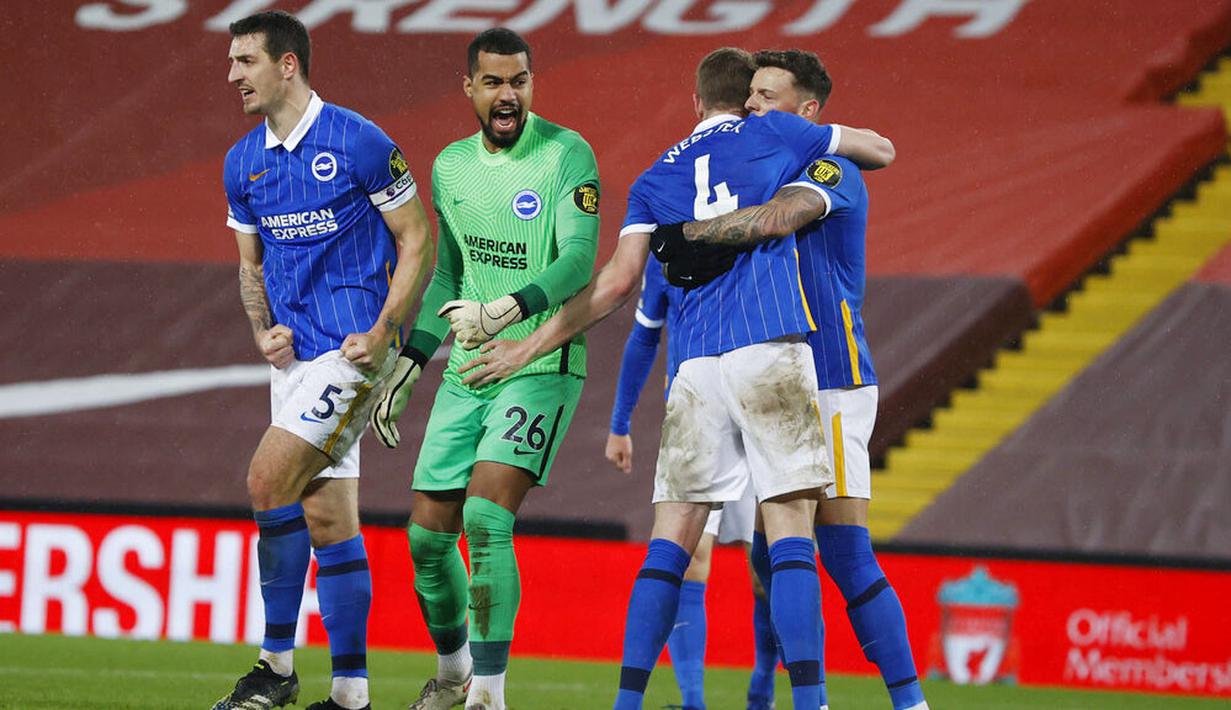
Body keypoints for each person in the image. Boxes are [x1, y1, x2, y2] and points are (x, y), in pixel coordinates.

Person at [446, 47, 894, 710]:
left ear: (693, 103)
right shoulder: (774, 130)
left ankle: (628, 703)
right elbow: (876, 149)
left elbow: (614, 287)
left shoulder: (655, 176)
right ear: (747, 99)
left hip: (692, 371)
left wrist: (522, 347)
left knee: (670, 545)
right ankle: (807, 702)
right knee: (790, 529)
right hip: (768, 346)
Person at [679, 49, 929, 710]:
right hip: (767, 378)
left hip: (830, 382)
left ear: (808, 111)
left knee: (844, 554)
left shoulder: (831, 169)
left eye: (766, 95)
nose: (752, 106)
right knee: (775, 551)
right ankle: (786, 696)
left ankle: (909, 703)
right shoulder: (751, 169)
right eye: (749, 95)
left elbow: (777, 219)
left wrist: (689, 232)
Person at [367, 28, 601, 710]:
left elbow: (577, 262)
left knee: (483, 519)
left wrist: (508, 309)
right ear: (469, 88)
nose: (508, 95)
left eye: (519, 81)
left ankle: (489, 698)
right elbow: (447, 274)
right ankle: (452, 676)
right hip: (466, 369)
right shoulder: (449, 167)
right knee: (424, 542)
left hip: (539, 359)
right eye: (494, 82)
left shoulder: (566, 154)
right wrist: (411, 362)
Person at [214, 10, 432, 710]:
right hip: (294, 363)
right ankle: (350, 696)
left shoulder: (359, 141)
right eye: (231, 61)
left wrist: (385, 330)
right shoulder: (241, 162)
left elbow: (417, 239)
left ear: (287, 65)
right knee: (329, 522)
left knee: (265, 480)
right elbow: (251, 264)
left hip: (351, 355)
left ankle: (275, 668)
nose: (231, 75)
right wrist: (261, 330)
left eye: (245, 60)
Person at [605, 259, 773, 710]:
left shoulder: (755, 242)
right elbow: (644, 336)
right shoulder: (668, 251)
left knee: (766, 565)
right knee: (691, 557)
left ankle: (763, 683)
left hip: (753, 415)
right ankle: (694, 701)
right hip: (695, 415)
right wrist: (620, 423)